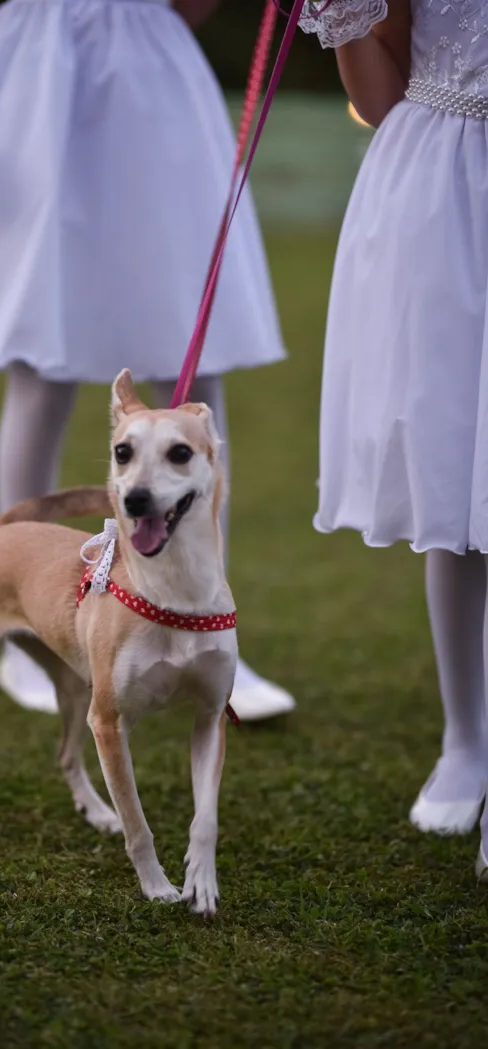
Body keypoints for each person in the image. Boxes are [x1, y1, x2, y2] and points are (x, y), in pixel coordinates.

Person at [0, 0, 296, 721]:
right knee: (44, 365)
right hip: (36, 88)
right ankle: (24, 631)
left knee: (193, 367)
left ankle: (203, 618)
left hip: (152, 85)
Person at [299, 0, 488, 869]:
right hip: (444, 195)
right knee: (455, 463)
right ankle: (466, 739)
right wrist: (343, 18)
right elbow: (381, 97)